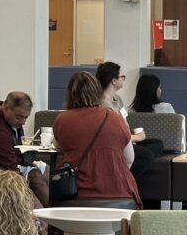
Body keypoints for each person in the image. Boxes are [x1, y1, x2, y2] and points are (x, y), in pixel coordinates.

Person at [53, 71, 142, 208]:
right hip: (118, 192)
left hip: (75, 192)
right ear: (97, 92)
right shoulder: (116, 118)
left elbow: (59, 148)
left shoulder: (62, 120)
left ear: (70, 94)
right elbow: (129, 158)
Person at [0, 91, 50, 207]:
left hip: (12, 162)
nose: (23, 122)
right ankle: (51, 218)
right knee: (36, 176)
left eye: (26, 117)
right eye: (19, 117)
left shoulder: (10, 121)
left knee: (47, 170)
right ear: (5, 108)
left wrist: (28, 163)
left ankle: (53, 211)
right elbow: (5, 164)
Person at [96, 61, 159, 180]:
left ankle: (129, 163)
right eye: (122, 77)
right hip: (117, 142)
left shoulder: (117, 99)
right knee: (147, 155)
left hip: (127, 138)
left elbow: (124, 121)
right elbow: (112, 133)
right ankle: (123, 180)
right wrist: (136, 138)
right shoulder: (104, 105)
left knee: (157, 144)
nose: (124, 79)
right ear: (114, 81)